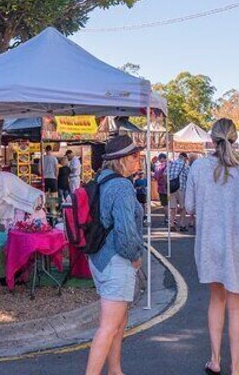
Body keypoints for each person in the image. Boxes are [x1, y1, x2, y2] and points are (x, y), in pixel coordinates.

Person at [185, 118, 239, 375]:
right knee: (236, 308)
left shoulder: (198, 167)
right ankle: (236, 368)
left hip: (209, 244)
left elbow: (189, 207)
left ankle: (215, 360)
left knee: (216, 301)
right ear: (234, 139)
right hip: (238, 245)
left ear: (212, 139)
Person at [84, 136, 144, 375]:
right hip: (116, 262)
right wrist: (135, 256)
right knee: (108, 327)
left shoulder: (101, 179)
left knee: (118, 323)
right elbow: (126, 232)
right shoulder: (122, 186)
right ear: (124, 159)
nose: (138, 161)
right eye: (135, 156)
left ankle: (115, 370)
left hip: (99, 258)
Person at [168, 152, 189, 230]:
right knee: (182, 207)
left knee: (172, 207)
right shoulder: (185, 166)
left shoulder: (171, 164)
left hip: (171, 188)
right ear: (184, 158)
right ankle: (182, 225)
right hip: (181, 188)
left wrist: (168, 185)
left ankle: (172, 224)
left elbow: (165, 174)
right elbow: (189, 177)